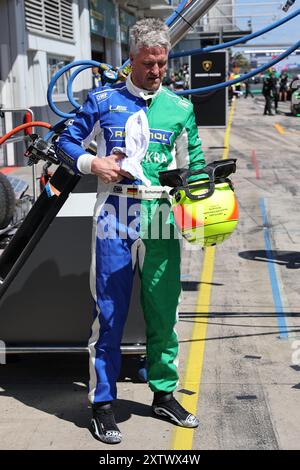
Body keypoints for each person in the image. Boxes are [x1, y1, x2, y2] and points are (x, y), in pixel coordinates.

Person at [56, 18, 205, 444]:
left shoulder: (180, 108)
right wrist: (92, 163)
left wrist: (203, 195)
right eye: (147, 64)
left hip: (160, 214)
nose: (156, 72)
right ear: (131, 59)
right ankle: (103, 404)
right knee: (110, 313)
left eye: (162, 63)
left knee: (164, 311)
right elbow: (67, 141)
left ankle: (164, 393)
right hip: (114, 216)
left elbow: (192, 163)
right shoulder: (103, 100)